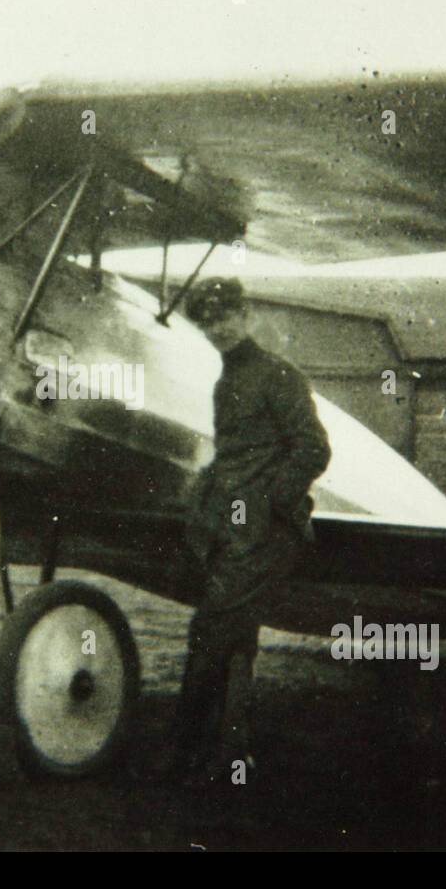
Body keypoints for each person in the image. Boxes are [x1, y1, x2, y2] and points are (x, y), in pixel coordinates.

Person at [171, 277, 331, 786]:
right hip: (232, 529)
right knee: (236, 641)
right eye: (207, 321)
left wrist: (267, 504)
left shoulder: (278, 375)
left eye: (225, 317)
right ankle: (231, 755)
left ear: (245, 314)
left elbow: (312, 449)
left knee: (211, 631)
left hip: (265, 534)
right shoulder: (228, 380)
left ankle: (180, 756)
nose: (217, 328)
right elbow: (238, 456)